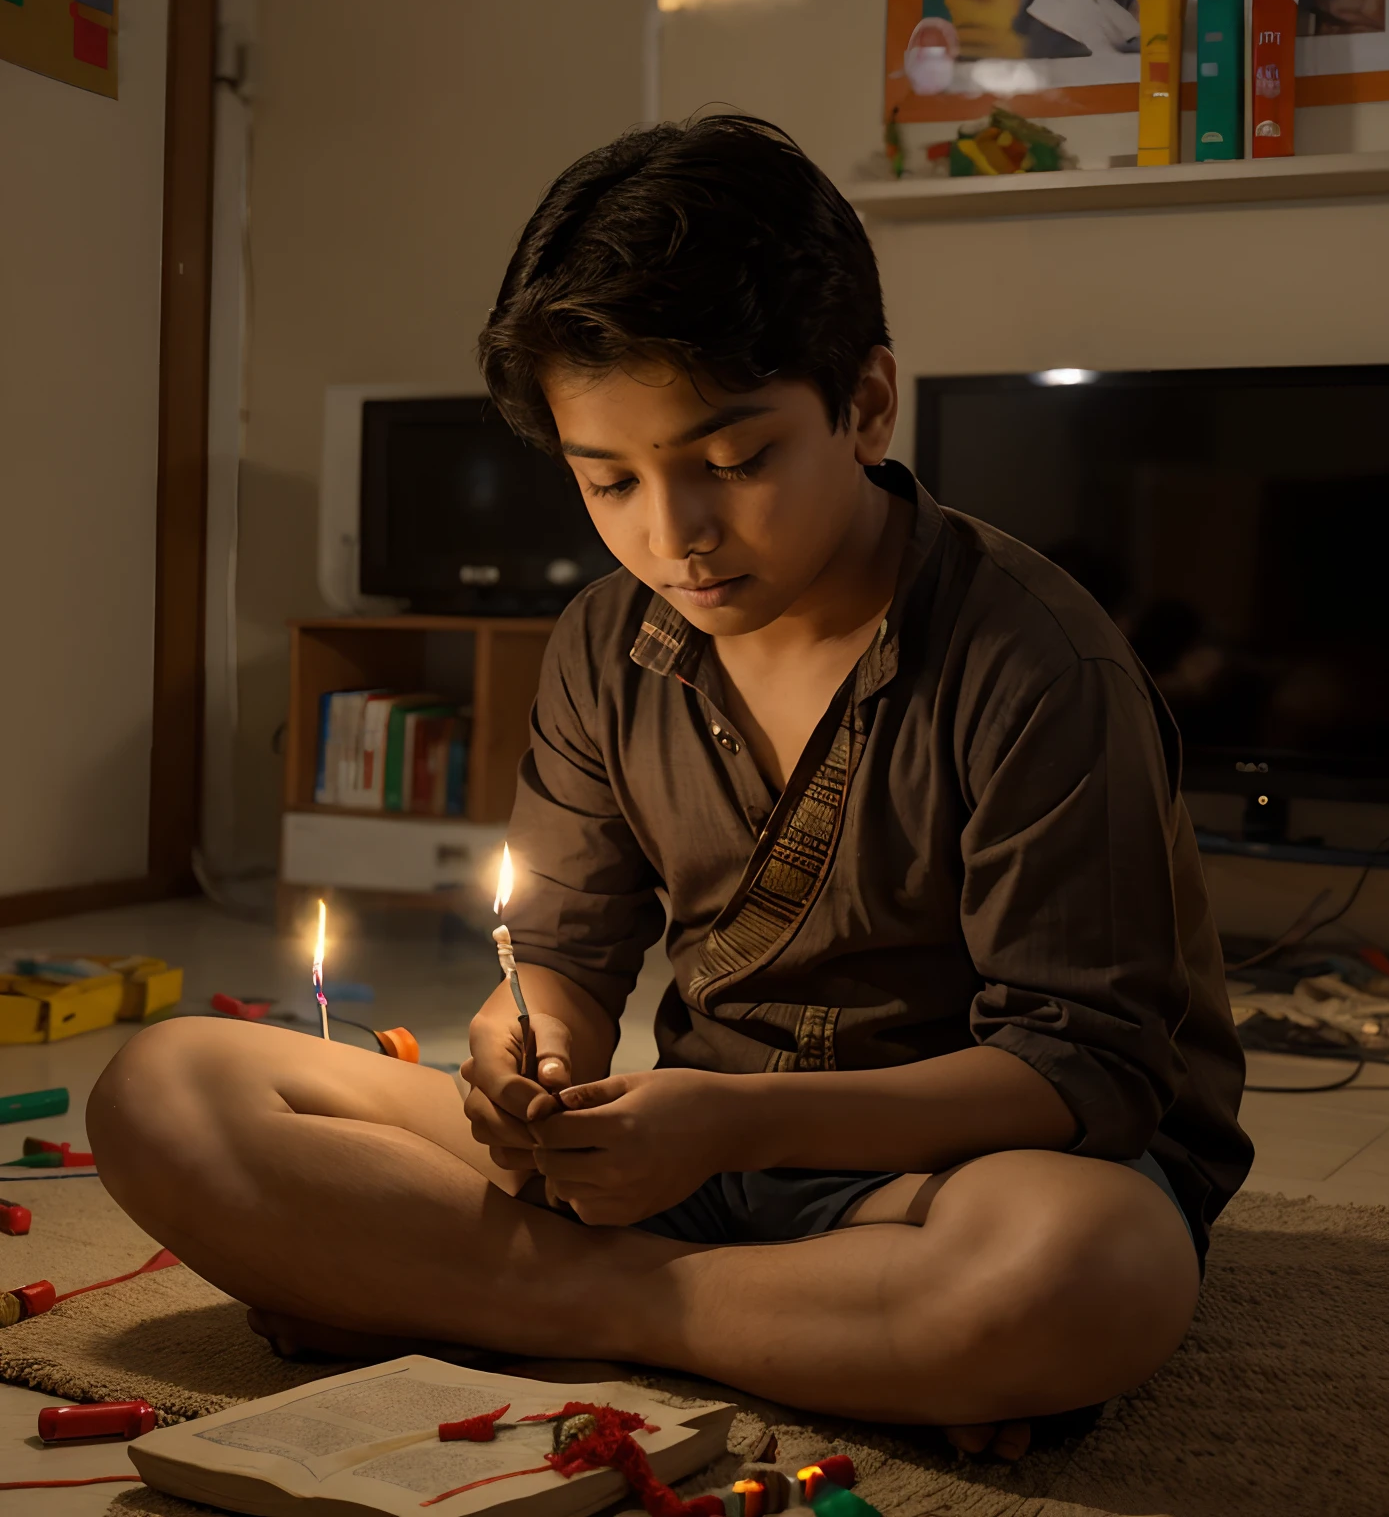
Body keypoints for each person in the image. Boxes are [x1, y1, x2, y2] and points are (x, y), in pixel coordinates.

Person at [89, 114, 1251, 1458]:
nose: (674, 534)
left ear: (866, 404)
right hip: (679, 1171)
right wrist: (537, 1061)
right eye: (609, 481)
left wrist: (727, 1124)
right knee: (168, 1088)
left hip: (946, 1177)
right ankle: (723, 1324)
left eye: (734, 463)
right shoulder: (606, 642)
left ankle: (522, 1303)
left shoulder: (1036, 662)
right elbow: (565, 953)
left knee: (1085, 1270)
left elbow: (1084, 1068)